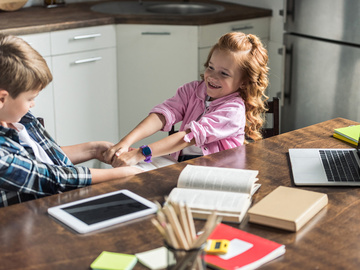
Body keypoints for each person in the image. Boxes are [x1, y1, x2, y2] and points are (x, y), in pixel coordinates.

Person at [0, 34, 142, 207]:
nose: (33, 104)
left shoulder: (18, 117)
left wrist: (94, 150)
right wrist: (125, 173)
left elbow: (45, 158)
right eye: (30, 98)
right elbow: (52, 179)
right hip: (22, 224)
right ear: (2, 99)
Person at [104, 32, 269, 167]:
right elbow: (163, 114)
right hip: (181, 164)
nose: (212, 76)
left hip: (217, 175)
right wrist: (126, 141)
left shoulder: (233, 111)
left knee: (129, 172)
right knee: (112, 158)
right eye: (210, 67)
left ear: (244, 82)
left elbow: (189, 136)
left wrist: (141, 153)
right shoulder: (192, 90)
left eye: (224, 73)